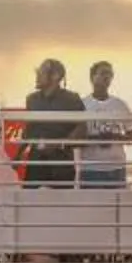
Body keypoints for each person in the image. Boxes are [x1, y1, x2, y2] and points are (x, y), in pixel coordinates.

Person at [18, 59, 86, 188]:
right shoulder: (32, 99)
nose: (37, 76)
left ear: (56, 76)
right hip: (36, 160)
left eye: (41, 72)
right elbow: (29, 128)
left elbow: (82, 129)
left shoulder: (72, 99)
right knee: (29, 203)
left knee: (61, 204)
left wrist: (58, 144)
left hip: (61, 161)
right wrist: (18, 153)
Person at [79, 61, 132, 192]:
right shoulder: (82, 105)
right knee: (92, 209)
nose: (107, 77)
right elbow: (76, 139)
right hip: (90, 169)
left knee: (116, 210)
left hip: (116, 169)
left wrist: (115, 137)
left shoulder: (120, 105)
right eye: (103, 73)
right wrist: (97, 139)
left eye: (110, 74)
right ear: (92, 77)